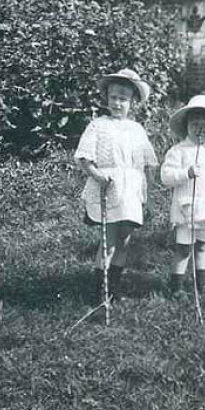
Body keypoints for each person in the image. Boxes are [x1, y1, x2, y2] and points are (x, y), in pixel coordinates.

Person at [75, 67, 157, 302]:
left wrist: (148, 199)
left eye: (123, 99)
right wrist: (98, 175)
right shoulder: (98, 125)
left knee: (124, 240)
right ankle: (100, 291)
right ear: (107, 99)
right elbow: (84, 157)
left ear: (132, 102)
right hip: (109, 189)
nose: (118, 103)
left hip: (132, 191)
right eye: (114, 98)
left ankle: (115, 288)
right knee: (108, 242)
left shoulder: (137, 129)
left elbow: (148, 165)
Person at [161, 94, 205, 296]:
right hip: (187, 210)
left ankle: (201, 284)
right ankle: (176, 285)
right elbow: (166, 176)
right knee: (184, 248)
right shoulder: (178, 151)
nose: (200, 129)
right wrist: (186, 173)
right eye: (195, 124)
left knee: (202, 247)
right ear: (186, 126)